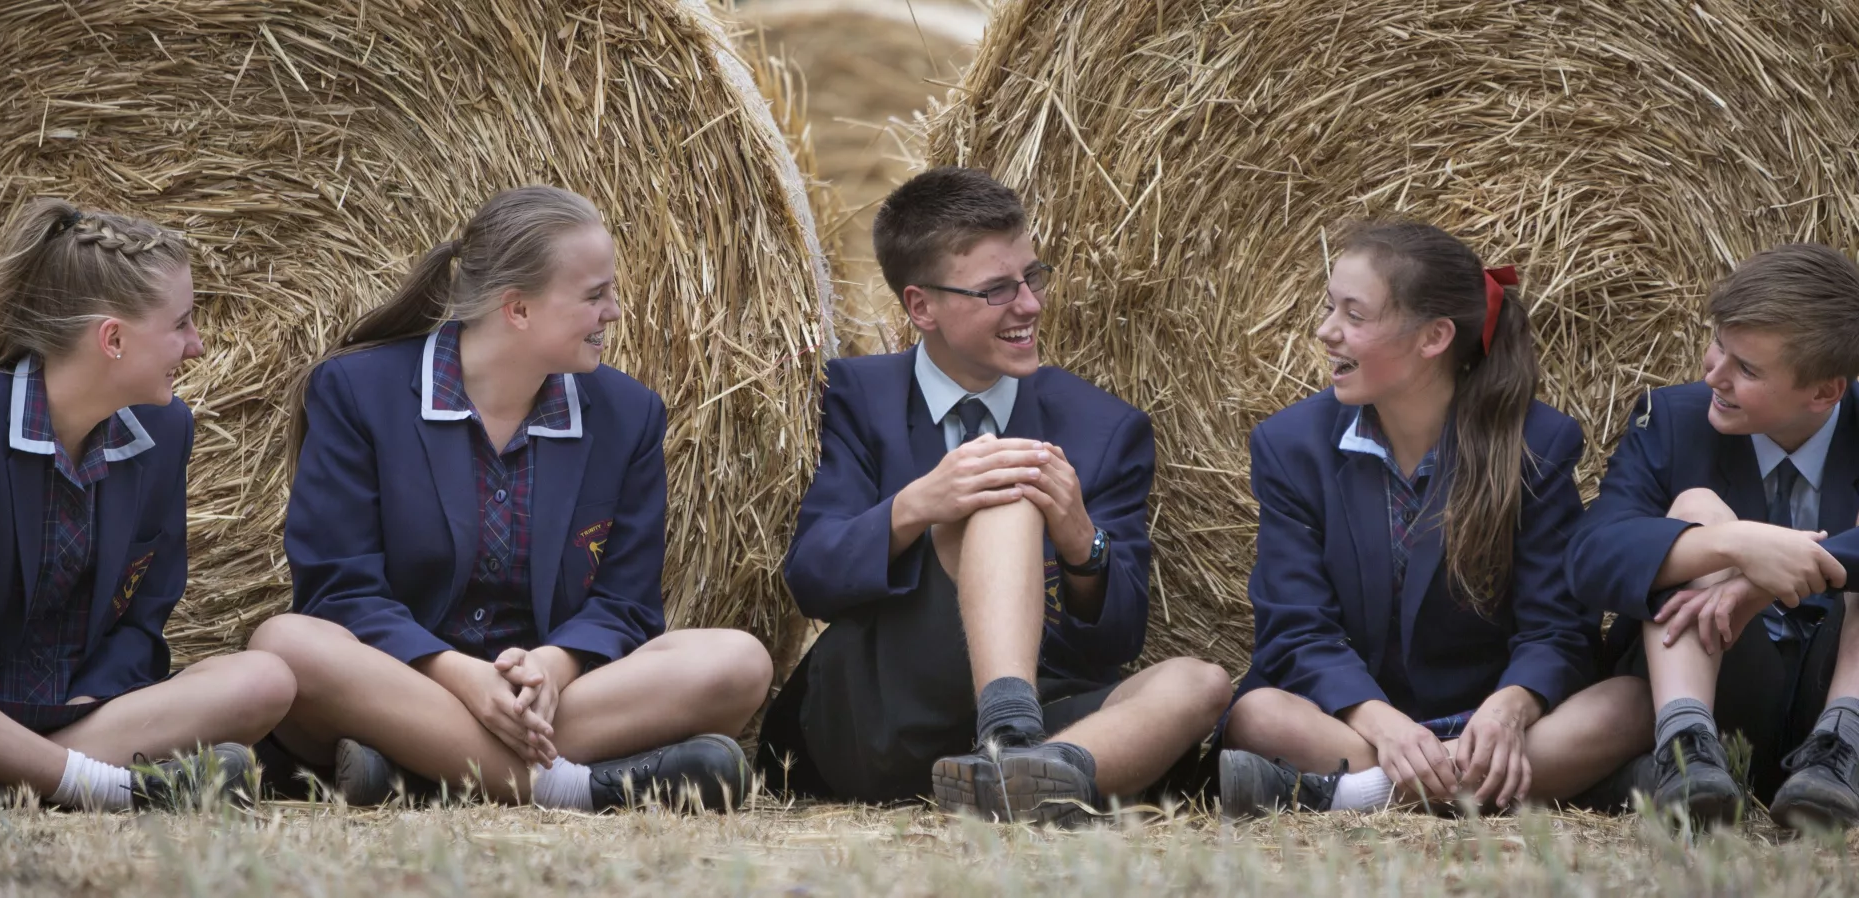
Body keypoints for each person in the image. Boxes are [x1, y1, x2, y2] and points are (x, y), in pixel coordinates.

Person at [248, 186, 773, 812]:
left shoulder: (629, 415)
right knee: (285, 645)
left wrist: (552, 667)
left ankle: (415, 769)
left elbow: (626, 606)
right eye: (594, 295)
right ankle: (568, 786)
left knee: (738, 662)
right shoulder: (358, 392)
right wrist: (457, 675)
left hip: (548, 698)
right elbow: (340, 591)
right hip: (397, 678)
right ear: (517, 309)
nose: (616, 312)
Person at [755, 167, 1233, 827]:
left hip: (1051, 704)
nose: (1030, 305)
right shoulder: (859, 396)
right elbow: (813, 581)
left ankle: (1021, 773)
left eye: (1033, 277)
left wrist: (1079, 542)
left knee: (1200, 684)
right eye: (997, 290)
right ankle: (1015, 742)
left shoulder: (1104, 427)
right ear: (921, 306)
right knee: (1007, 493)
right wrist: (917, 505)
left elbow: (1117, 640)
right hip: (883, 715)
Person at [1217, 221, 1650, 817]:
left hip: (1489, 728)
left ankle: (1358, 796)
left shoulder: (1536, 444)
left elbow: (1556, 628)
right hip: (1357, 726)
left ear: (1434, 338)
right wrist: (1386, 727)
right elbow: (1296, 628)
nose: (1325, 331)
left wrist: (1508, 710)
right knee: (1256, 713)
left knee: (1631, 702)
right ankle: (1493, 792)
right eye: (1328, 307)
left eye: (1354, 314)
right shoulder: (1290, 445)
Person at [0, 199, 294, 810]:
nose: (198, 345)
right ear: (113, 339)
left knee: (266, 679)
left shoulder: (166, 432)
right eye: (181, 324)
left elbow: (144, 614)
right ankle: (105, 784)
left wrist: (95, 692)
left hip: (84, 712)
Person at [1569, 244, 1859, 830]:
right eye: (1719, 345)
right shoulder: (1671, 420)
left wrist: (1796, 562)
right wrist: (1733, 546)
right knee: (1696, 509)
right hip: (1720, 679)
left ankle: (1841, 751)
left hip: (1834, 684)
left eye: (1746, 370)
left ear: (1825, 391)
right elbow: (1589, 557)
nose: (1713, 375)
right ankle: (1686, 747)